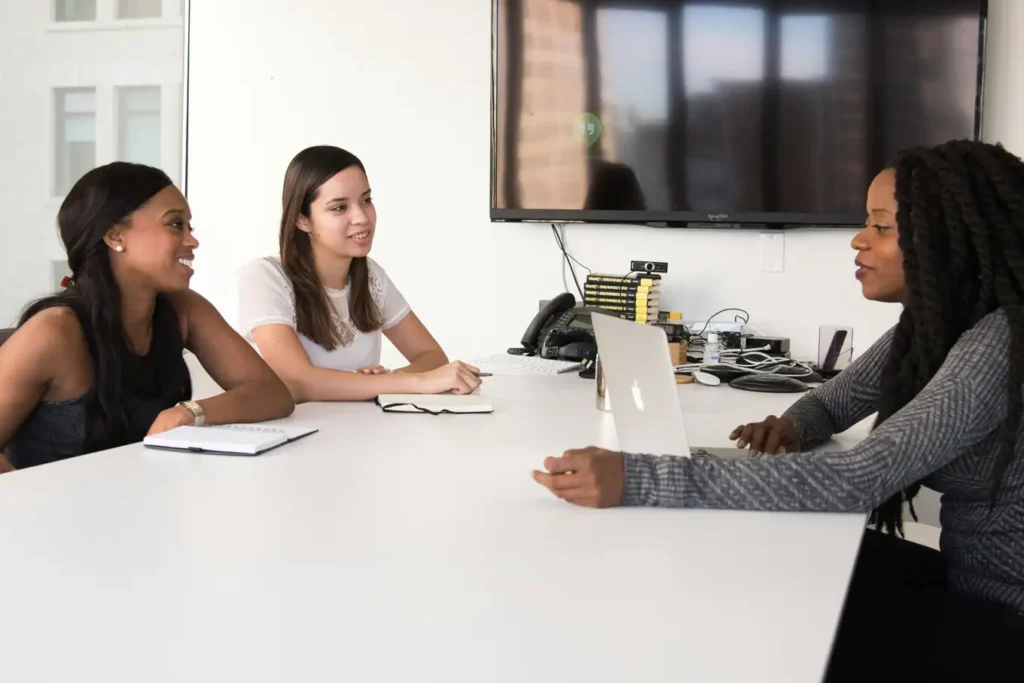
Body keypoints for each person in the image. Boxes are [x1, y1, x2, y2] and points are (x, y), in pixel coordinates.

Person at [532, 140, 1024, 679]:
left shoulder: (1000, 342)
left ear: (952, 238)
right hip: (966, 577)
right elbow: (832, 401)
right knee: (771, 559)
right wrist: (794, 426)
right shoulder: (934, 330)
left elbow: (860, 479)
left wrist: (639, 478)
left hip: (1004, 613)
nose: (858, 239)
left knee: (766, 622)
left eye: (882, 226)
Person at [0, 162, 294, 474]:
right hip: (58, 503)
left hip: (145, 497)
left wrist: (188, 413)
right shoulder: (53, 332)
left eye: (190, 227)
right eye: (175, 224)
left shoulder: (184, 309)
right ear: (115, 235)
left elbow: (272, 394)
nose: (192, 241)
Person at [238, 145, 480, 403]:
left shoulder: (371, 276)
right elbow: (298, 382)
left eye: (366, 200)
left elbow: (432, 357)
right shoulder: (265, 277)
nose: (362, 217)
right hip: (298, 428)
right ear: (302, 220)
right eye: (339, 207)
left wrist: (383, 382)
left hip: (363, 426)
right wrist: (403, 383)